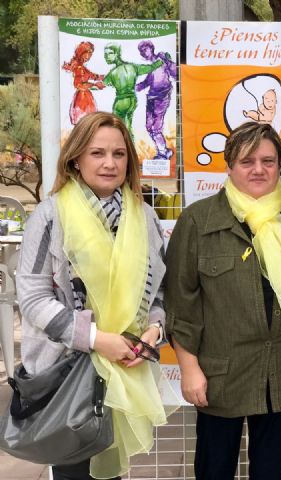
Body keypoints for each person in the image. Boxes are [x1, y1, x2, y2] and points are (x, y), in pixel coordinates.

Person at [164, 122, 281, 480]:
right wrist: (189, 368)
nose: (258, 169)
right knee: (215, 470)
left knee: (271, 472)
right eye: (247, 161)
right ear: (229, 166)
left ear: (279, 165)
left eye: (268, 160)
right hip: (220, 376)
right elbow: (181, 305)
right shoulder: (198, 221)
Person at [16, 112, 171, 480]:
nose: (109, 163)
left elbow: (159, 293)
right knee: (73, 473)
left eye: (119, 154)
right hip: (66, 376)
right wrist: (97, 340)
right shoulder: (50, 217)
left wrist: (154, 334)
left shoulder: (145, 219)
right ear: (76, 159)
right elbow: (34, 299)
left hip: (124, 371)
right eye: (97, 152)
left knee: (111, 474)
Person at [102, 43, 163, 132]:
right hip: (132, 100)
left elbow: (101, 85)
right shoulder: (133, 67)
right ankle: (130, 144)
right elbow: (151, 67)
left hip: (121, 101)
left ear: (117, 54)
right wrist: (160, 61)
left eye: (109, 53)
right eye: (105, 54)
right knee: (127, 127)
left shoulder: (112, 73)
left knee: (116, 128)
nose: (106, 57)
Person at [136, 40, 177, 160]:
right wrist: (135, 87)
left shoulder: (162, 60)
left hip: (161, 97)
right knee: (149, 127)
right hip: (151, 98)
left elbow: (175, 73)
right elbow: (148, 82)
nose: (143, 52)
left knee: (155, 128)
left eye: (145, 49)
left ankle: (163, 153)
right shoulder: (151, 66)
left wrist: (169, 61)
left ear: (151, 48)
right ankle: (164, 150)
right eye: (141, 51)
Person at [61, 41, 105, 125]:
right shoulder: (79, 68)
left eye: (90, 54)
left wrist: (99, 77)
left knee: (88, 122)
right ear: (82, 53)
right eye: (88, 53)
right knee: (85, 122)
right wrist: (95, 85)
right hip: (82, 99)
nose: (89, 57)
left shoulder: (82, 66)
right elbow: (78, 84)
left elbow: (91, 75)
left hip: (85, 96)